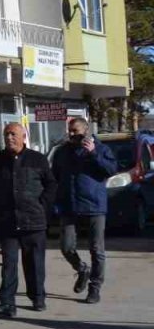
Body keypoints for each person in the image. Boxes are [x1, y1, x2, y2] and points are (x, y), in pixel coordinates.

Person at [0, 123, 56, 318]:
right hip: (7, 221)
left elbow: (51, 185)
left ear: (24, 136)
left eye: (13, 134)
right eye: (6, 134)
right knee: (9, 263)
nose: (9, 138)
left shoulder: (37, 160)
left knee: (34, 262)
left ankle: (38, 297)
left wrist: (42, 206)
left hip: (34, 220)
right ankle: (7, 303)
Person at [51, 117, 117, 304]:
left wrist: (94, 153)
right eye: (70, 130)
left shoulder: (101, 148)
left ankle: (94, 288)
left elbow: (111, 169)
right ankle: (82, 269)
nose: (72, 134)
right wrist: (56, 201)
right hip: (69, 205)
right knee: (66, 246)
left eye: (75, 130)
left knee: (96, 249)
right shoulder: (62, 152)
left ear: (86, 130)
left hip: (94, 205)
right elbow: (55, 176)